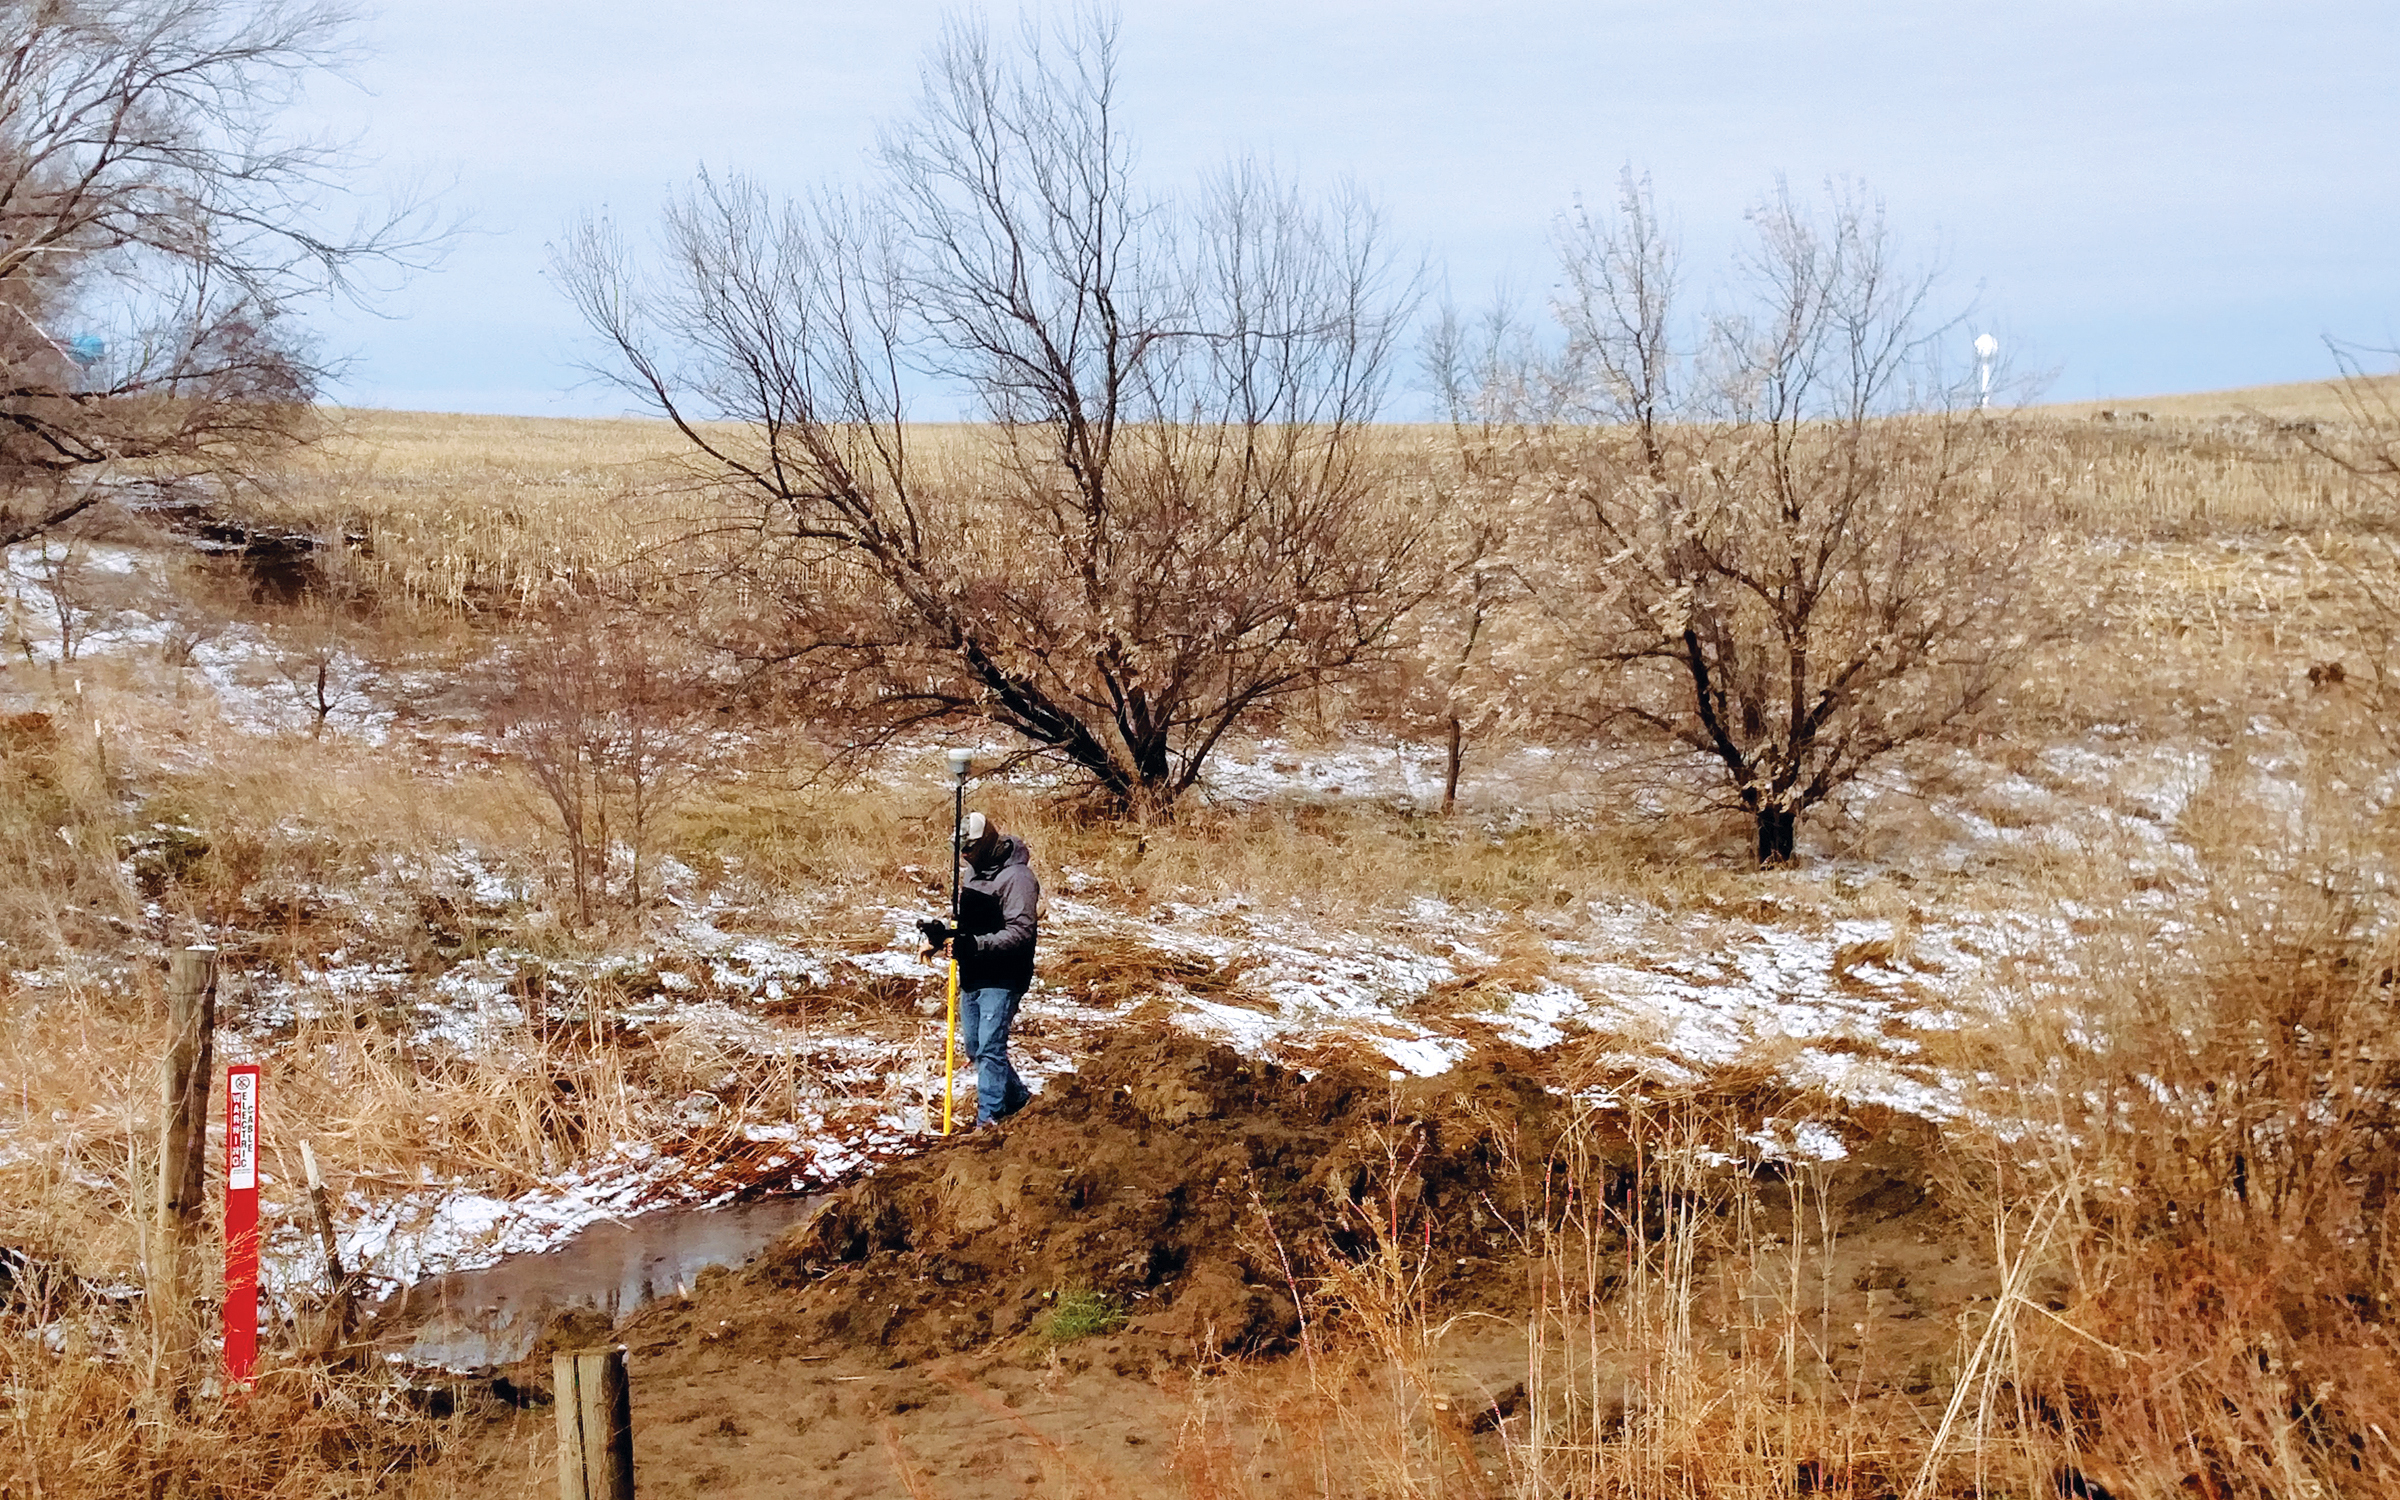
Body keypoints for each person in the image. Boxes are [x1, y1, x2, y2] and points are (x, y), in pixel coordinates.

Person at [918, 812, 1038, 1128]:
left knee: (990, 1048)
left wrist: (973, 944)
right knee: (975, 1047)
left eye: (969, 848)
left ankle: (989, 1121)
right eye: (960, 849)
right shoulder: (973, 873)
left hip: (1004, 976)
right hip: (972, 974)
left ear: (984, 843)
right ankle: (1018, 1101)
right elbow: (969, 925)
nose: (964, 856)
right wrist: (942, 938)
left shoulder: (1018, 878)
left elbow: (1021, 932)